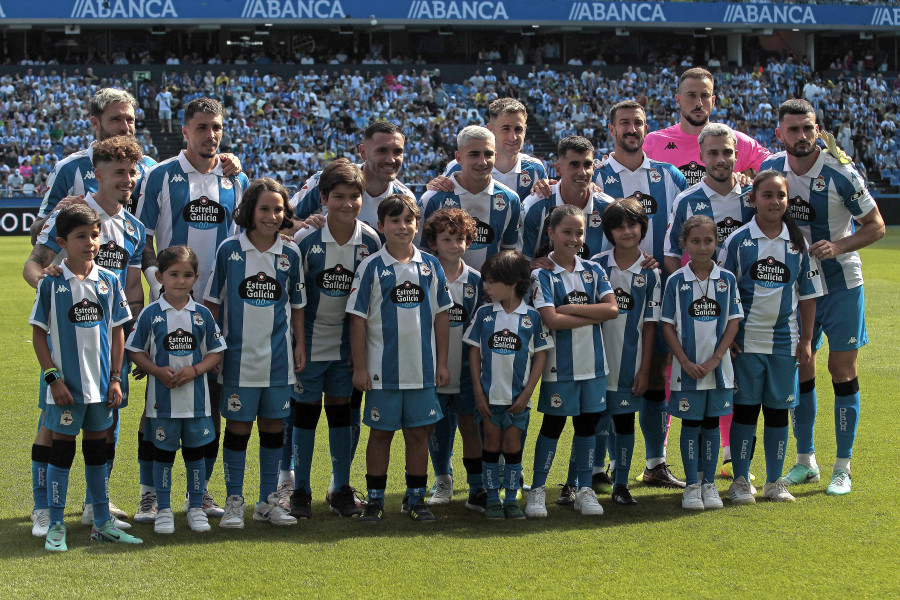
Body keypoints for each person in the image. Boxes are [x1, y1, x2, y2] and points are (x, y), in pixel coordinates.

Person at [761, 99, 885, 495]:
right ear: (779, 133)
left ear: (818, 129)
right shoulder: (771, 171)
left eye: (808, 128)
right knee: (803, 367)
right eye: (792, 129)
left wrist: (840, 245)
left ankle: (843, 467)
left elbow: (876, 225)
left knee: (842, 371)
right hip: (796, 289)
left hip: (842, 284)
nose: (801, 136)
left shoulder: (840, 172)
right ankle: (806, 461)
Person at [24, 135, 147, 535]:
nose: (127, 180)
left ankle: (99, 504)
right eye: (118, 172)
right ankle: (43, 506)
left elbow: (131, 289)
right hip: (67, 341)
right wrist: (49, 282)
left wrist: (134, 339)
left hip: (110, 338)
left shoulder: (135, 227)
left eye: (132, 172)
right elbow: (35, 263)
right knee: (53, 425)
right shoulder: (74, 212)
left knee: (104, 424)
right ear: (97, 174)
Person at [138, 97, 250, 521]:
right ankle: (150, 492)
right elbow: (142, 238)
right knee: (157, 403)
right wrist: (157, 287)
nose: (211, 135)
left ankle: (200, 492)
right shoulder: (161, 176)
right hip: (166, 313)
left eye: (217, 127)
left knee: (211, 403)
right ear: (185, 131)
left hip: (216, 314)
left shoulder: (234, 180)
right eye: (202, 127)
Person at [593, 100, 689, 489]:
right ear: (611, 129)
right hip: (604, 294)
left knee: (652, 380)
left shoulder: (668, 176)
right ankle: (599, 467)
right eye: (624, 123)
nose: (632, 129)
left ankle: (654, 462)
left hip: (655, 294)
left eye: (639, 123)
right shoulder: (596, 174)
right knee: (603, 382)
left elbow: (694, 211)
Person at [203, 178, 305, 528]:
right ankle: (234, 499)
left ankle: (267, 501)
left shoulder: (291, 253)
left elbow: (298, 305)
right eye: (264, 208)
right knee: (239, 427)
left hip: (278, 359)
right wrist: (211, 348)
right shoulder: (230, 250)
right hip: (237, 359)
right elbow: (212, 303)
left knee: (274, 428)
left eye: (278, 209)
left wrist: (300, 346)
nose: (272, 216)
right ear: (250, 211)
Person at [346, 194, 452, 522]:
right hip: (382, 372)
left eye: (409, 220)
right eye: (395, 220)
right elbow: (358, 318)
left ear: (417, 225)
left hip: (421, 370)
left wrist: (443, 362)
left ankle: (416, 498)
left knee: (419, 434)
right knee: (380, 433)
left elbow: (442, 316)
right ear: (381, 226)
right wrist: (361, 367)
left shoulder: (430, 265)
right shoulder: (371, 267)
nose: (402, 226)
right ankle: (376, 499)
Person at [718, 170, 822, 504]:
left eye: (781, 195)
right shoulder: (738, 241)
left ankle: (774, 482)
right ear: (753, 200)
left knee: (778, 412)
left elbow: (807, 296)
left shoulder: (797, 244)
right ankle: (740, 482)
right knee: (746, 411)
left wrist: (805, 341)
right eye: (767, 195)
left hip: (783, 343)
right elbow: (724, 293)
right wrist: (727, 336)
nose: (775, 201)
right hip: (745, 343)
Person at [290, 159, 381, 519]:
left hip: (347, 345)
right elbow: (296, 298)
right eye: (338, 197)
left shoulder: (371, 240)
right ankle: (301, 491)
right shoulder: (306, 239)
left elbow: (371, 301)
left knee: (342, 415)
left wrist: (362, 353)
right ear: (323, 198)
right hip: (310, 341)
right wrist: (298, 343)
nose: (347, 204)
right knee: (306, 417)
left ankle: (341, 488)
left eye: (354, 197)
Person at [665, 124, 757, 479]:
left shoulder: (750, 198)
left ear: (736, 155)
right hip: (698, 316)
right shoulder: (687, 200)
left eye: (727, 153)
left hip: (741, 309)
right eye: (713, 153)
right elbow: (671, 254)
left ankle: (735, 459)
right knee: (699, 384)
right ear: (701, 157)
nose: (721, 160)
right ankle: (691, 471)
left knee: (736, 384)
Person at [525, 205, 618, 518]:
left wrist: (569, 311)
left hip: (593, 365)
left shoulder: (594, 271)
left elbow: (613, 310)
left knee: (587, 428)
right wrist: (590, 314)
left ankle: (583, 489)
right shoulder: (542, 274)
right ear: (551, 233)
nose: (574, 238)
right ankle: (537, 491)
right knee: (552, 427)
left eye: (579, 232)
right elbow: (550, 320)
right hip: (558, 367)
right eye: (567, 231)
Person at [126, 246, 226, 533]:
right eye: (173, 275)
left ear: (196, 278)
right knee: (164, 455)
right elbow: (135, 350)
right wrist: (157, 371)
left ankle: (195, 507)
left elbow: (216, 353)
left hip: (196, 402)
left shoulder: (203, 315)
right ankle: (164, 509)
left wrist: (195, 370)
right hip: (162, 403)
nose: (180, 281)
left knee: (195, 454)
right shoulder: (151, 314)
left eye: (187, 275)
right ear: (159, 277)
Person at [661, 215, 742, 511]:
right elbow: (667, 325)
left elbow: (733, 323)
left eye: (708, 240)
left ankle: (709, 484)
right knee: (691, 425)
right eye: (695, 241)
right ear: (684, 244)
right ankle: (692, 486)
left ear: (716, 243)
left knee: (710, 425)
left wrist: (716, 359)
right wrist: (684, 361)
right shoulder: (675, 281)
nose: (702, 246)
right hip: (687, 371)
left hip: (719, 371)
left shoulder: (727, 280)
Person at [464, 250, 552, 519]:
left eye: (491, 282)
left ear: (512, 282)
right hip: (489, 400)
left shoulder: (532, 317)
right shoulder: (483, 315)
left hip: (517, 401)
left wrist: (527, 394)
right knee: (490, 445)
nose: (486, 287)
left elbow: (541, 355)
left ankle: (511, 499)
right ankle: (492, 499)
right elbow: (474, 353)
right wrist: (478, 393)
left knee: (513, 447)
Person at [591, 197, 661, 506]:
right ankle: (588, 478)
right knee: (593, 421)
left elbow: (650, 325)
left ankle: (621, 482)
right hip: (594, 361)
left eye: (632, 224)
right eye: (618, 227)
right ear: (609, 231)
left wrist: (645, 369)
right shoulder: (596, 266)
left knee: (624, 422)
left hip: (629, 364)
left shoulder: (651, 274)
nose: (626, 231)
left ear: (642, 228)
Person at [421, 208, 485, 511]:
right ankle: (443, 479)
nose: (454, 245)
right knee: (437, 425)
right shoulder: (424, 275)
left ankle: (476, 485)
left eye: (460, 239)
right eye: (447, 239)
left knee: (470, 424)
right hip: (434, 366)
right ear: (433, 242)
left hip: (466, 368)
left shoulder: (477, 280)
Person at [36, 88, 157, 224]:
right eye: (116, 119)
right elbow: (36, 234)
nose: (125, 127)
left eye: (130, 120)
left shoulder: (150, 168)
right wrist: (56, 214)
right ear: (95, 123)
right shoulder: (67, 169)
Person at [643, 67, 770, 185]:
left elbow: (781, 169)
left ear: (713, 101)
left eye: (705, 96)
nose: (698, 103)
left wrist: (751, 184)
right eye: (691, 95)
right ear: (678, 100)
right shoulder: (653, 142)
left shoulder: (736, 141)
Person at [421, 125, 521, 272]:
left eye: (488, 154)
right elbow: (421, 253)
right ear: (459, 157)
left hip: (489, 292)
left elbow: (508, 253)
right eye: (474, 154)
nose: (482, 162)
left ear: (496, 156)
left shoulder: (510, 200)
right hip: (443, 291)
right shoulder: (433, 199)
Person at [431, 98, 548, 202]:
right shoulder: (458, 167)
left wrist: (549, 188)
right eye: (505, 129)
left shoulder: (536, 169)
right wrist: (433, 188)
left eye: (518, 129)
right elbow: (437, 200)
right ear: (490, 129)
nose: (513, 137)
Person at [522, 135, 614, 262]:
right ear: (558, 169)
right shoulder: (534, 206)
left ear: (593, 169)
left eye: (587, 165)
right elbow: (522, 263)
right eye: (574, 165)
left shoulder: (609, 209)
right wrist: (534, 268)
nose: (582, 172)